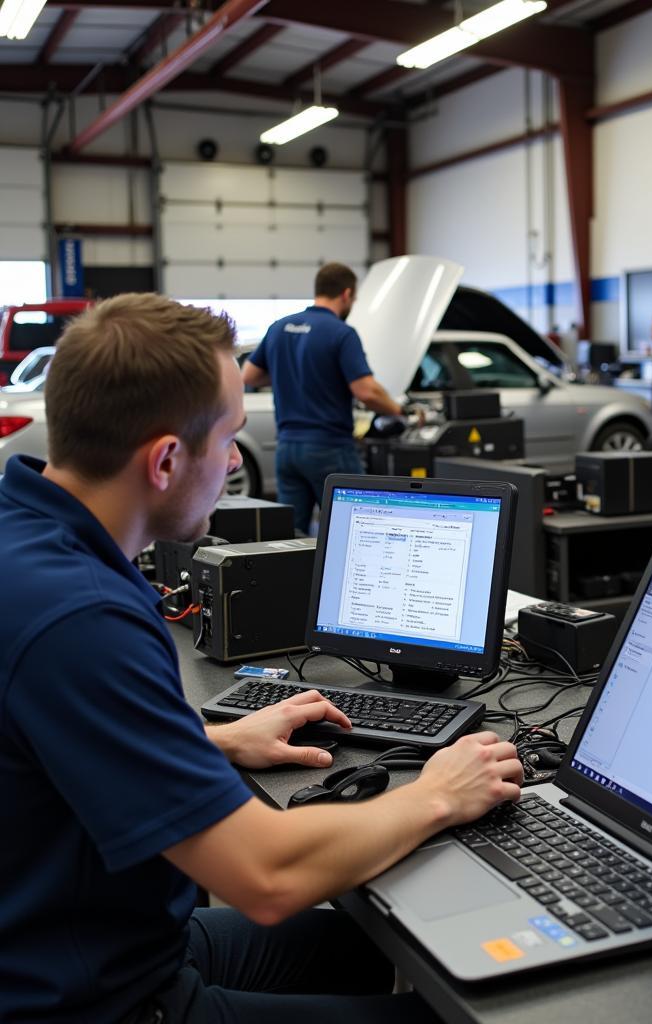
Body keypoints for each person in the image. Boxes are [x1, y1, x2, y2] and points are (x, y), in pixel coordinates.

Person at [0, 293, 523, 1023]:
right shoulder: (81, 619)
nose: (233, 464)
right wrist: (438, 792)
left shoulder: (22, 538)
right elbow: (266, 875)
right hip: (90, 1002)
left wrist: (208, 740)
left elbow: (51, 736)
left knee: (372, 947)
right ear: (165, 460)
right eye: (228, 440)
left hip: (108, 942)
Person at [242, 262, 407, 534]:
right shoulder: (341, 333)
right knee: (356, 527)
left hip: (286, 449)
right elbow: (366, 391)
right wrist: (398, 409)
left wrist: (292, 372)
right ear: (346, 294)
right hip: (329, 448)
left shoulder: (279, 327)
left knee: (290, 537)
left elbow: (249, 375)